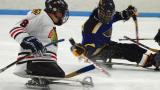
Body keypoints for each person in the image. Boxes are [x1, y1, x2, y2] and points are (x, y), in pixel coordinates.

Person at [70, 0, 160, 69]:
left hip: (105, 44)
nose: (107, 17)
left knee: (132, 47)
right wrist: (81, 49)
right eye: (105, 14)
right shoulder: (89, 26)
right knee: (124, 51)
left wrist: (128, 12)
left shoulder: (109, 16)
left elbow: (118, 15)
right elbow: (86, 46)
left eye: (110, 14)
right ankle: (152, 61)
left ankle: (153, 56)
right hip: (96, 51)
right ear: (99, 11)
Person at [9, 0, 69, 85]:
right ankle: (35, 73)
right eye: (61, 13)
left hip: (41, 61)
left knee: (58, 73)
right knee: (58, 74)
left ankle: (38, 77)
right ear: (53, 10)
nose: (62, 16)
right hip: (32, 62)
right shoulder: (41, 14)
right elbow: (15, 28)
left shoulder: (49, 22)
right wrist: (25, 39)